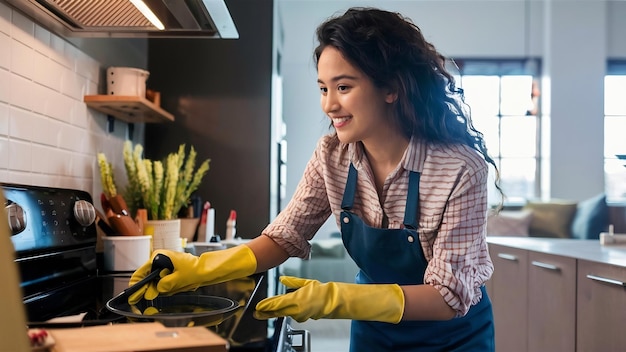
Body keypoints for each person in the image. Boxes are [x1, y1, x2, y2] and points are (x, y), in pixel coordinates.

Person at [129, 7, 502, 351]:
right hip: (374, 329)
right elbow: (284, 236)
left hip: (452, 338)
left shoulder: (461, 170)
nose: (329, 105)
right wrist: (201, 268)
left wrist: (334, 299)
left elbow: (447, 297)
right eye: (324, 88)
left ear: (391, 88)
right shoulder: (332, 156)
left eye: (343, 87)